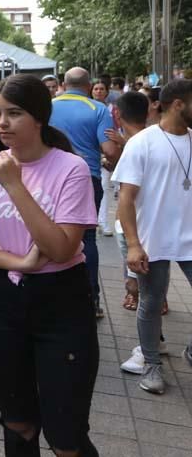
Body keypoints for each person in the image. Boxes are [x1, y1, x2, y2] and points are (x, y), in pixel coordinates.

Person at [0, 73, 99, 457]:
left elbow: (63, 248)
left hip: (63, 300)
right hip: (2, 298)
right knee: (18, 423)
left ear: (39, 118)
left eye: (14, 113)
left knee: (65, 435)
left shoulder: (71, 168)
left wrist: (15, 186)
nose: (2, 123)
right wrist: (19, 260)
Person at [114, 79, 192, 395]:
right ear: (178, 104)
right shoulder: (142, 143)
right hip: (152, 238)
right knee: (151, 301)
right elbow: (125, 200)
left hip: (189, 237)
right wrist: (133, 244)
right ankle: (151, 365)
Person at [50, 67, 120, 319]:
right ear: (89, 86)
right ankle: (91, 301)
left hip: (49, 179)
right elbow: (110, 151)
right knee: (87, 240)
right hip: (87, 178)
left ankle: (54, 299)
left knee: (48, 236)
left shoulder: (48, 106)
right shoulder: (98, 109)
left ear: (63, 84)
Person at [105, 92, 150, 313]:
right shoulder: (153, 140)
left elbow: (126, 195)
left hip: (133, 223)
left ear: (117, 113)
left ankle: (141, 298)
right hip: (151, 221)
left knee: (137, 275)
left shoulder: (136, 144)